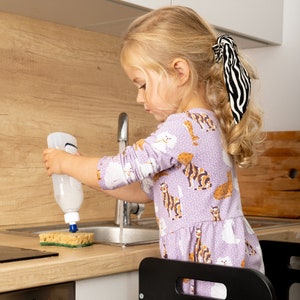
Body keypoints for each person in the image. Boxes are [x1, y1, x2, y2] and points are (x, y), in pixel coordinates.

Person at [43, 6, 264, 297]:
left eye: (143, 85)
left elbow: (118, 170)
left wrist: (67, 163)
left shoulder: (183, 127)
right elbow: (144, 188)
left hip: (209, 268)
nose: (138, 97)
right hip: (225, 263)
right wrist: (85, 175)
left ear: (179, 72)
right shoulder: (209, 122)